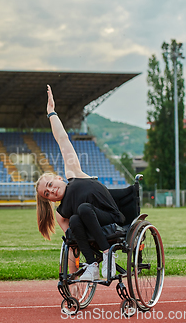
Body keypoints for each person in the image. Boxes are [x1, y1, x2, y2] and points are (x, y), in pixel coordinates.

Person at [35, 85, 125, 282]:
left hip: (110, 220)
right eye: (47, 194)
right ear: (49, 200)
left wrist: (51, 112)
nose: (51, 191)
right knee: (75, 221)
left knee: (83, 209)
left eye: (49, 184)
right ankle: (92, 265)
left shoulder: (74, 173)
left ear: (58, 178)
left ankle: (109, 253)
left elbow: (62, 139)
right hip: (93, 233)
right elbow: (72, 244)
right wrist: (73, 281)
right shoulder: (61, 214)